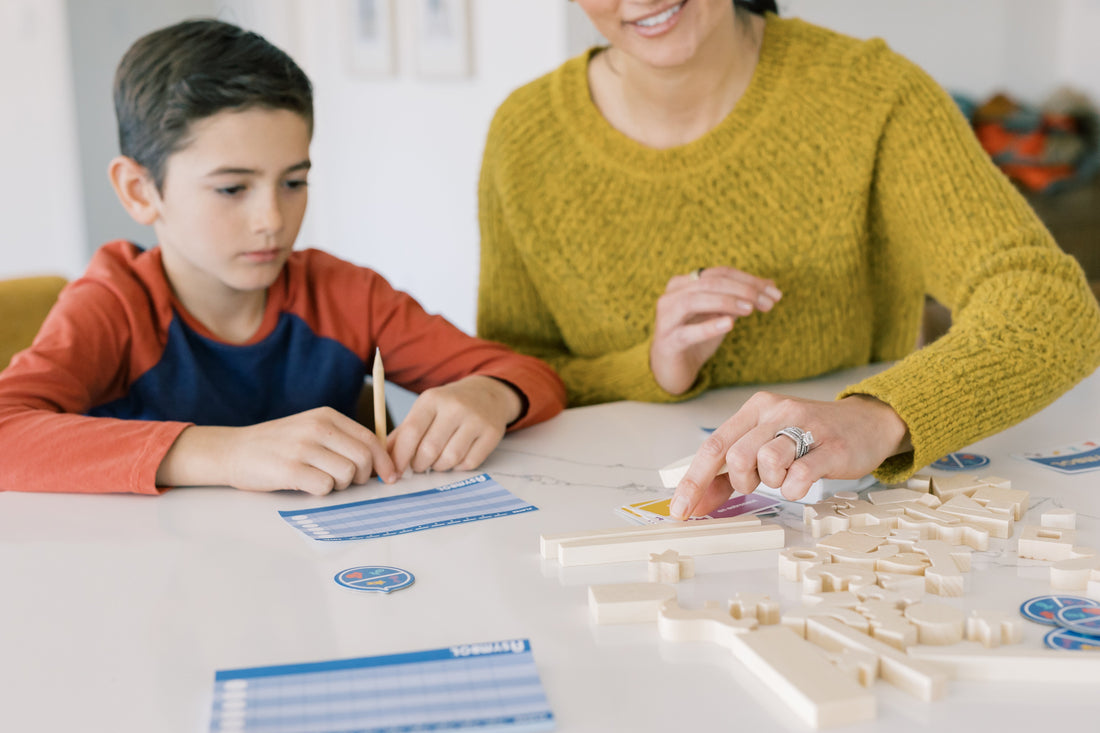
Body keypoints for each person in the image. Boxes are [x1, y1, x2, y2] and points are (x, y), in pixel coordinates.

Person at [476, 1, 1100, 516]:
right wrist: (648, 369)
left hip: (844, 524)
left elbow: (1053, 306)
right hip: (606, 525)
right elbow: (509, 374)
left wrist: (877, 416)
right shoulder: (524, 136)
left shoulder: (874, 96)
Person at [0, 19, 566, 496]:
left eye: (293, 182)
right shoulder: (115, 305)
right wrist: (225, 453)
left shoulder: (346, 294)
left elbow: (528, 374)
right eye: (232, 189)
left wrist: (490, 394)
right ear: (140, 190)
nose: (272, 219)